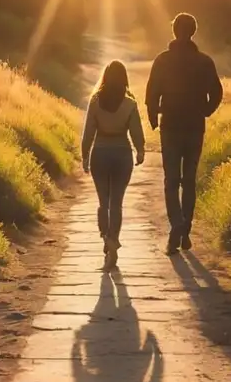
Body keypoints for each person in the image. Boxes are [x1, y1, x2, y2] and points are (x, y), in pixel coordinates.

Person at [145, 13, 223, 254]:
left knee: (171, 181)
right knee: (189, 182)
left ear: (174, 31)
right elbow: (217, 93)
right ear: (193, 32)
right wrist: (205, 111)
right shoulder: (204, 61)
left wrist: (153, 119)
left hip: (170, 127)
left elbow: (151, 94)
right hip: (194, 127)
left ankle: (176, 226)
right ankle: (185, 230)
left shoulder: (162, 60)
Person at [81, 60, 145, 269]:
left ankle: (106, 238)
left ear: (105, 77)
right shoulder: (130, 104)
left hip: (99, 153)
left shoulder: (95, 101)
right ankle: (114, 240)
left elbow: (88, 132)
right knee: (117, 202)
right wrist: (140, 150)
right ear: (124, 78)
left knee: (103, 202)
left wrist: (84, 156)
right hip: (122, 154)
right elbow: (136, 130)